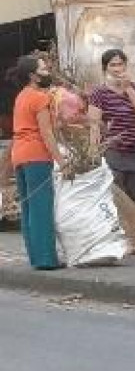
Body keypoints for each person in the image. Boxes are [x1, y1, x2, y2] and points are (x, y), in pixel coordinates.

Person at [87, 49, 135, 253]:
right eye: (113, 65)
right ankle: (121, 242)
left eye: (120, 64)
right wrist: (93, 150)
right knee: (117, 198)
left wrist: (129, 89)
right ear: (105, 68)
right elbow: (94, 123)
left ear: (126, 66)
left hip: (134, 150)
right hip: (112, 151)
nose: (117, 69)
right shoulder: (99, 93)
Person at [7, 56, 62, 270]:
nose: (47, 70)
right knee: (41, 208)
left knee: (29, 209)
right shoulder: (40, 98)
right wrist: (61, 160)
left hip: (19, 156)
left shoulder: (21, 96)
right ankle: (47, 259)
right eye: (43, 68)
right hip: (37, 156)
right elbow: (46, 133)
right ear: (33, 76)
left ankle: (36, 258)